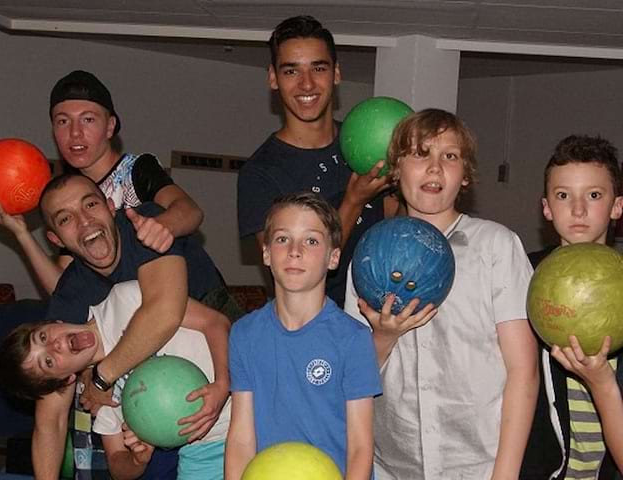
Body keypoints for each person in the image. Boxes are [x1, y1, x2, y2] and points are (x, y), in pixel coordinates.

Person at [344, 108, 539, 479]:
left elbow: (523, 371)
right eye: (420, 154)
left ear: (465, 175)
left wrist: (505, 475)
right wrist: (384, 337)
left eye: (449, 156)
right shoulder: (367, 256)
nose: (435, 168)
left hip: (480, 467)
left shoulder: (496, 247)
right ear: (396, 169)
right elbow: (352, 379)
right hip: (392, 469)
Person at [32, 173, 238, 480]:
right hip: (174, 413)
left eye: (90, 204)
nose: (84, 221)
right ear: (57, 240)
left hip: (224, 352)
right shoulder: (70, 295)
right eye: (65, 219)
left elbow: (164, 314)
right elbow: (51, 415)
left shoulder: (145, 228)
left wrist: (100, 377)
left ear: (111, 206)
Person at [0, 69, 204, 294]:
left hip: (194, 298)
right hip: (135, 312)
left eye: (88, 119)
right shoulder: (67, 195)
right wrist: (21, 234)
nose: (75, 133)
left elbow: (190, 211)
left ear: (109, 127)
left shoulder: (137, 169)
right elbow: (64, 292)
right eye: (63, 121)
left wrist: (162, 226)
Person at [0, 280, 230, 480]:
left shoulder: (124, 298)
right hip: (206, 448)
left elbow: (216, 323)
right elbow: (117, 465)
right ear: (66, 380)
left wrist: (222, 384)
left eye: (43, 336)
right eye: (47, 362)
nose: (54, 346)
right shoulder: (99, 397)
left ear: (53, 323)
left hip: (249, 406)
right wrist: (137, 460)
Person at [237, 15, 394, 307]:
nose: (306, 84)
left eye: (318, 68)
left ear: (336, 73)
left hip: (380, 320)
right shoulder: (259, 173)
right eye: (291, 71)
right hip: (309, 332)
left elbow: (403, 222)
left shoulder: (368, 145)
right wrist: (354, 201)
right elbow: (291, 274)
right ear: (273, 78)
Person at [225, 193, 382, 479]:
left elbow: (360, 447)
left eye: (311, 240)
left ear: (333, 257)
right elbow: (240, 439)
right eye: (283, 238)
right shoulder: (243, 334)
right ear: (266, 252)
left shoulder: (353, 338)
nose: (295, 250)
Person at [520, 134, 623, 479]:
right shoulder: (519, 277)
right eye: (563, 196)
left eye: (594, 195)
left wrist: (601, 382)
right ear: (546, 207)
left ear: (617, 206)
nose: (578, 210)